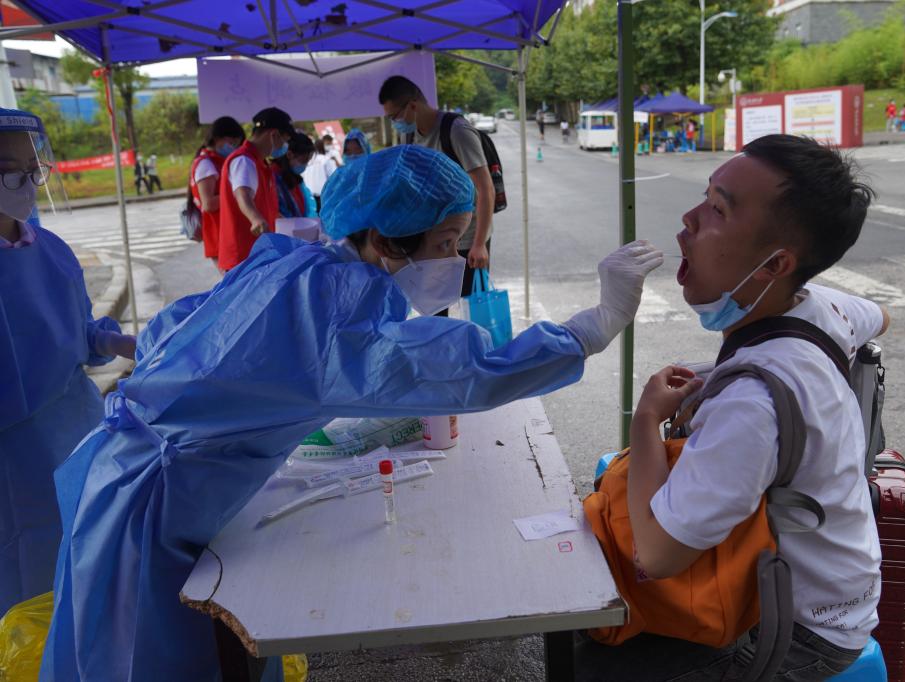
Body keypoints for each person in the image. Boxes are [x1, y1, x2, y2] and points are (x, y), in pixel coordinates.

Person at [41, 144, 663, 681]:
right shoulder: (341, 314)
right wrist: (593, 327)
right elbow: (457, 368)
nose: (456, 257)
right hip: (146, 509)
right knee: (144, 662)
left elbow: (184, 323)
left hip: (124, 469)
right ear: (385, 237)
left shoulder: (297, 260)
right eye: (445, 243)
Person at [575, 134, 888, 681]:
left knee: (596, 658)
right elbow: (880, 316)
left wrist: (646, 419)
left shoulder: (750, 405)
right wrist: (720, 368)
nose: (689, 220)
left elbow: (657, 555)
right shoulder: (820, 305)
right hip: (842, 593)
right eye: (704, 196)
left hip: (795, 634)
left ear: (774, 263)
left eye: (718, 209)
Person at [0, 107, 136, 616]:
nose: (26, 183)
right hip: (14, 462)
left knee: (88, 557)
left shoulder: (48, 248)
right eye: (9, 172)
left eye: (31, 170)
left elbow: (79, 330)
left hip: (77, 429)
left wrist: (122, 345)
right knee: (30, 588)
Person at [378, 75, 496, 310]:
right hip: (431, 239)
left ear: (412, 105)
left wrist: (480, 243)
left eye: (394, 116)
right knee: (435, 308)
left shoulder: (456, 131)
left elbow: (485, 188)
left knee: (468, 307)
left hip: (467, 237)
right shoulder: (408, 135)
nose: (394, 123)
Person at [217, 106, 295, 272]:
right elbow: (242, 193)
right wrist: (255, 219)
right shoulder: (244, 160)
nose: (285, 146)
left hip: (256, 253)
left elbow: (262, 200)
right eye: (285, 140)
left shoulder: (260, 162)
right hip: (244, 255)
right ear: (274, 135)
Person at [189, 116, 246, 266]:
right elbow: (208, 203)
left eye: (237, 143)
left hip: (225, 232)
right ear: (217, 138)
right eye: (232, 142)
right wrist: (240, 193)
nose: (235, 146)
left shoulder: (216, 161)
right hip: (219, 234)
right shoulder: (206, 164)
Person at [272, 131, 317, 219]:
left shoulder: (294, 178)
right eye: (304, 160)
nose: (305, 164)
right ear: (289, 154)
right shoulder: (273, 177)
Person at [301, 138, 336, 214]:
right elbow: (334, 177)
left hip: (309, 195)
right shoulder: (326, 160)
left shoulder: (307, 160)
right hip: (323, 195)